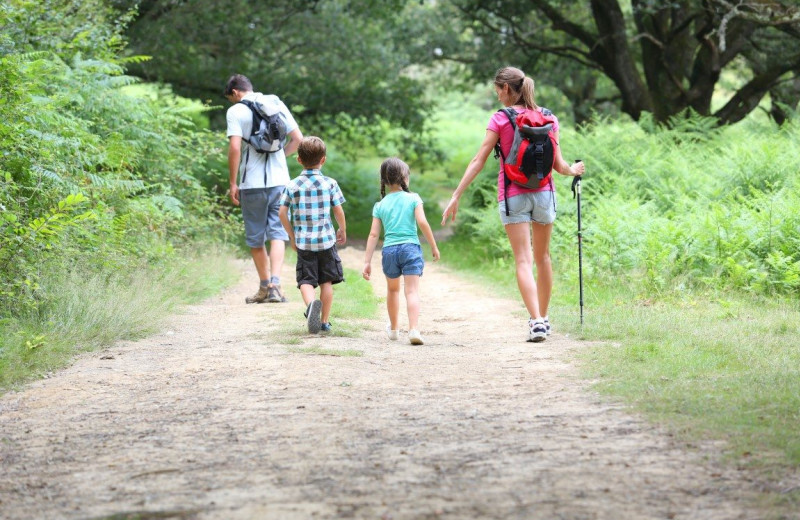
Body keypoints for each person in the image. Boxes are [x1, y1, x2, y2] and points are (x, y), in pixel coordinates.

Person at [440, 66, 585, 343]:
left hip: (513, 195)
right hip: (545, 195)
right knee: (543, 258)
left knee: (523, 259)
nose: (497, 97)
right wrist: (574, 170)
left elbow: (479, 160)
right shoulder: (549, 118)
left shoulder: (500, 119)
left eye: (497, 90)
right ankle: (543, 318)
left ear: (506, 88)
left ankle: (536, 321)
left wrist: (457, 194)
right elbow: (559, 165)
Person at [224, 74, 303, 304]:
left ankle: (264, 287)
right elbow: (298, 138)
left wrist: (232, 182)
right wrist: (280, 155)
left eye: (231, 98)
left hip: (252, 184)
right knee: (278, 233)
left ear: (236, 92)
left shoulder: (236, 111)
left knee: (256, 238)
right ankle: (276, 286)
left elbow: (235, 148)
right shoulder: (275, 103)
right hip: (280, 182)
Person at [362, 158, 440, 345]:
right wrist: (433, 246)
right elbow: (422, 222)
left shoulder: (380, 205)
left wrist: (367, 261)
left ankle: (395, 329)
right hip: (410, 248)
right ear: (405, 177)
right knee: (411, 291)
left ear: (384, 181)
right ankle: (413, 329)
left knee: (392, 290)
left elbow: (373, 235)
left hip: (389, 250)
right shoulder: (414, 198)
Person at [279, 136, 346, 334]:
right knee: (326, 282)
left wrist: (291, 236)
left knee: (306, 281)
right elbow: (338, 211)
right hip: (326, 241)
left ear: (299, 159)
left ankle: (310, 307)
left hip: (304, 243)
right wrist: (341, 229)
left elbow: (282, 212)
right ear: (323, 159)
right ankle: (324, 321)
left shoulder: (292, 185)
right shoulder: (330, 183)